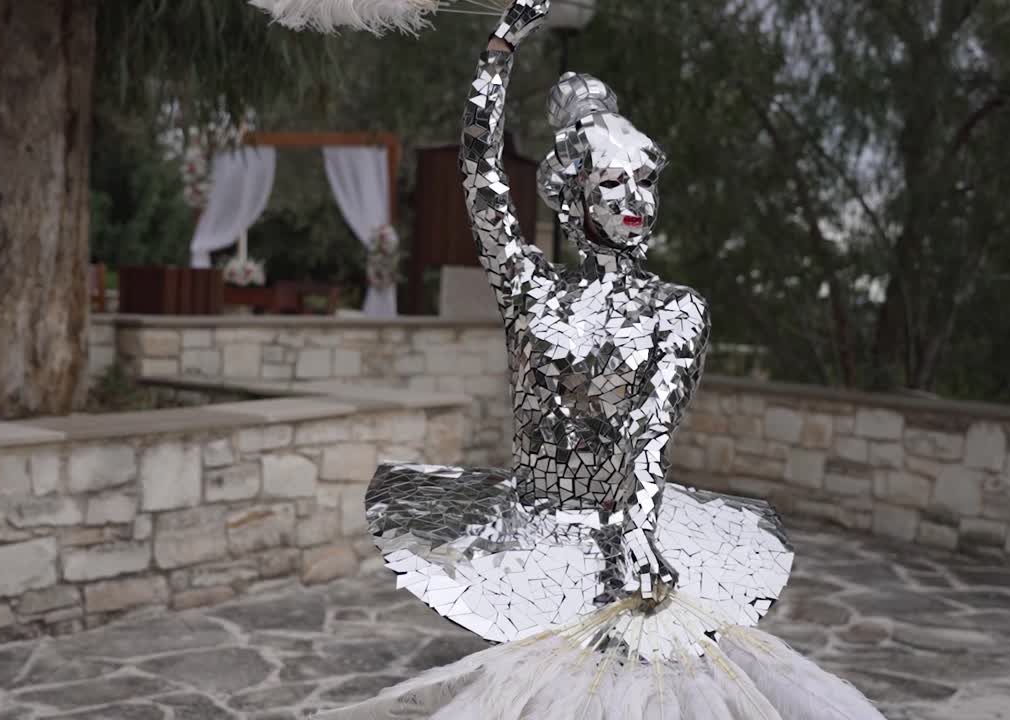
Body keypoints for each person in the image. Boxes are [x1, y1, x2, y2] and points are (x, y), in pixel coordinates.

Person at [321, 2, 887, 717]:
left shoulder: (676, 310)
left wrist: (637, 533)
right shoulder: (530, 290)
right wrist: (502, 47)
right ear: (573, 200)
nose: (635, 200)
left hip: (626, 533)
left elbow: (652, 431)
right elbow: (480, 174)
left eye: (644, 181)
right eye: (613, 185)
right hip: (528, 530)